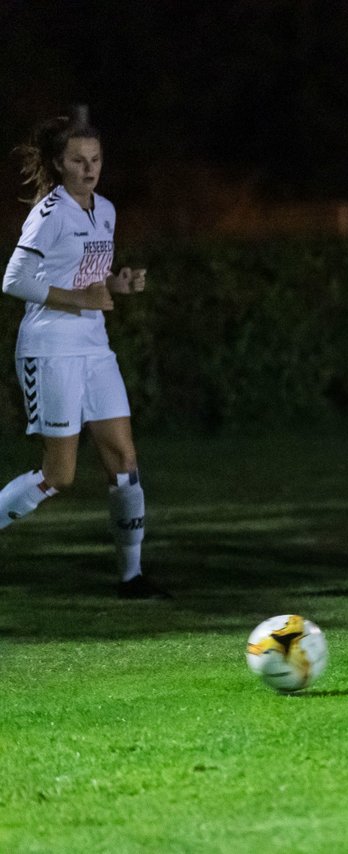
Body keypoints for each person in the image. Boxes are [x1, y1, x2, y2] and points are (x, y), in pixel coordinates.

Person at [0, 116, 165, 598]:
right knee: (59, 475)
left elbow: (85, 278)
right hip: (51, 349)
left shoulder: (106, 210)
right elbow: (13, 281)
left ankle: (131, 578)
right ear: (58, 163)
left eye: (95, 159)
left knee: (123, 460)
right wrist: (82, 300)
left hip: (95, 348)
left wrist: (116, 284)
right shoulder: (49, 213)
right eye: (78, 160)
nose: (89, 168)